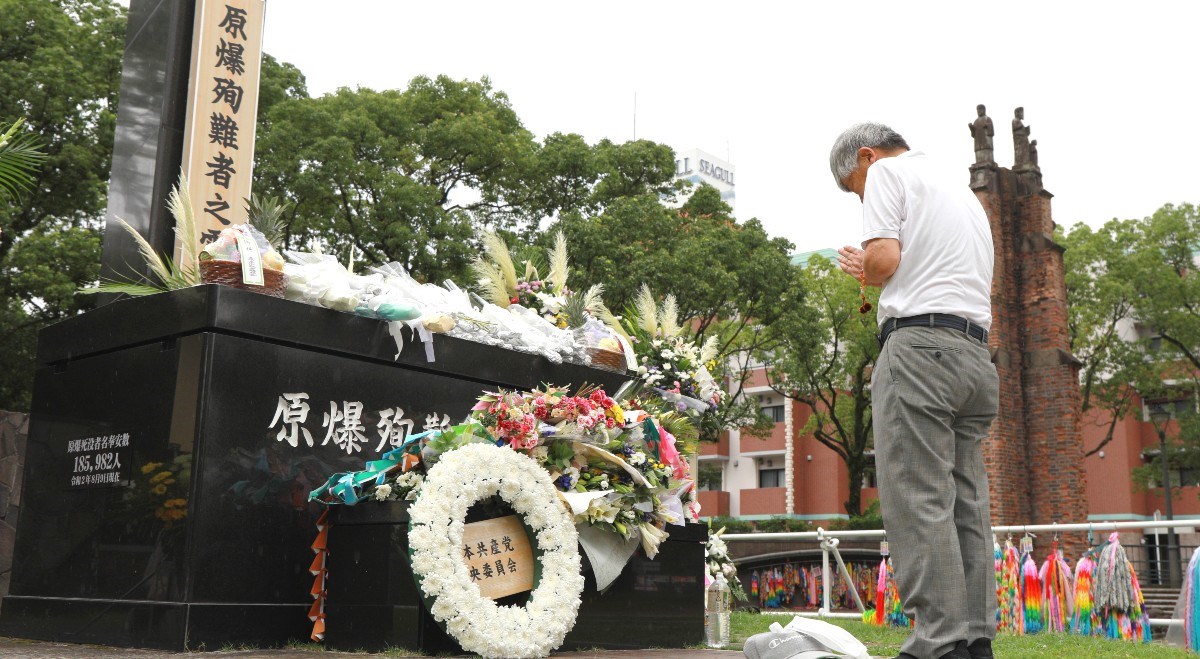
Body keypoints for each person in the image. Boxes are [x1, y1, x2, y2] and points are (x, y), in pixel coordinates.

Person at [828, 123, 999, 659]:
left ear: (866, 156)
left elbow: (885, 260)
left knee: (917, 496)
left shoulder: (886, 172)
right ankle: (974, 640)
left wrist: (865, 263)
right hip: (975, 355)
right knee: (966, 502)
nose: (861, 194)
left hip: (920, 349)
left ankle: (938, 643)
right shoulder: (960, 193)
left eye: (853, 187)